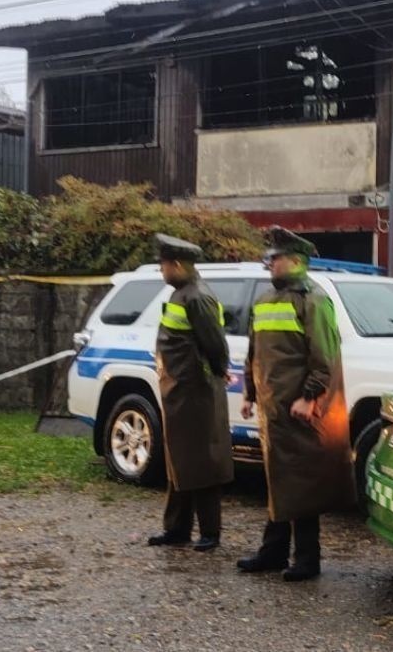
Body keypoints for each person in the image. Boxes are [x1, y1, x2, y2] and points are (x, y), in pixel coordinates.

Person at [237, 226, 356, 581]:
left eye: (274, 259)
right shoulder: (265, 301)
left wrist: (309, 397)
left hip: (299, 408)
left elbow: (324, 355)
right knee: (278, 479)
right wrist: (249, 393)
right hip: (273, 408)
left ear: (297, 261)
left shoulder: (314, 299)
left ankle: (307, 559)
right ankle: (272, 552)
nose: (268, 264)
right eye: (268, 259)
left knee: (301, 481)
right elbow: (254, 351)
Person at [146, 233, 234, 552]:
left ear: (178, 265)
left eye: (164, 266)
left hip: (197, 392)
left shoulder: (198, 297)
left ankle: (210, 531)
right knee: (180, 460)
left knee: (202, 461)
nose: (162, 271)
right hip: (179, 391)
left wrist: (221, 368)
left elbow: (214, 342)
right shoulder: (182, 294)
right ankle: (176, 529)